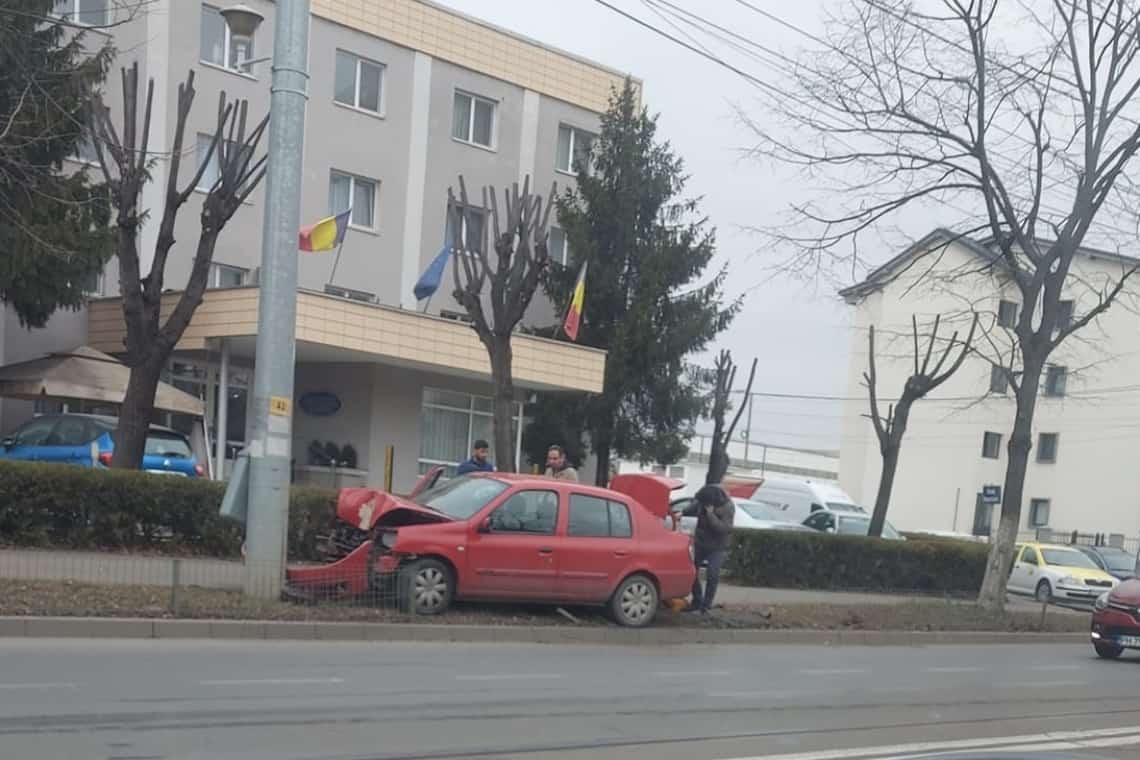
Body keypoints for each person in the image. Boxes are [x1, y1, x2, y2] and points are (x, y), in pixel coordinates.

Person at [683, 484, 735, 615]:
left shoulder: (727, 507)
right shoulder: (702, 501)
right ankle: (697, 600)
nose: (702, 504)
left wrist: (711, 514)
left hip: (718, 546)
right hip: (701, 542)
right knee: (692, 570)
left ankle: (706, 606)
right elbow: (688, 510)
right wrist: (686, 510)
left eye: (704, 503)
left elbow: (723, 529)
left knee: (712, 574)